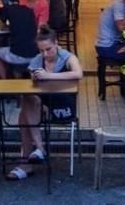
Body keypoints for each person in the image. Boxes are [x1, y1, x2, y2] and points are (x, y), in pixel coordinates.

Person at [8, 25, 83, 180]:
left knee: (25, 116)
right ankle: (38, 150)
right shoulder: (38, 60)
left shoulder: (67, 57)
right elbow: (32, 85)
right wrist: (35, 78)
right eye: (41, 50)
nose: (45, 54)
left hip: (63, 106)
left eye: (48, 49)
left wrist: (50, 76)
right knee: (27, 100)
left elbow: (78, 74)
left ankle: (29, 162)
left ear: (56, 43)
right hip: (44, 106)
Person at [0, 0, 38, 78]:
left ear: (5, 0)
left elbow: (0, 27)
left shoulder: (7, 8)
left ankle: (5, 81)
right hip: (35, 54)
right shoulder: (29, 10)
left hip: (18, 55)